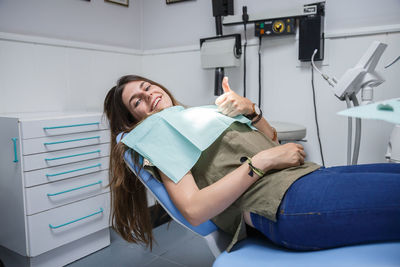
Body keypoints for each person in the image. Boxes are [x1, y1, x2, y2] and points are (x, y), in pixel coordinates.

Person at [104, 74, 400, 252]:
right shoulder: (155, 132)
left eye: (147, 86)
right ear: (133, 120)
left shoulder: (192, 116)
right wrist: (263, 161)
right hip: (283, 203)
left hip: (303, 178)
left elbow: (271, 140)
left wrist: (252, 110)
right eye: (137, 101)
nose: (149, 94)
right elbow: (194, 210)